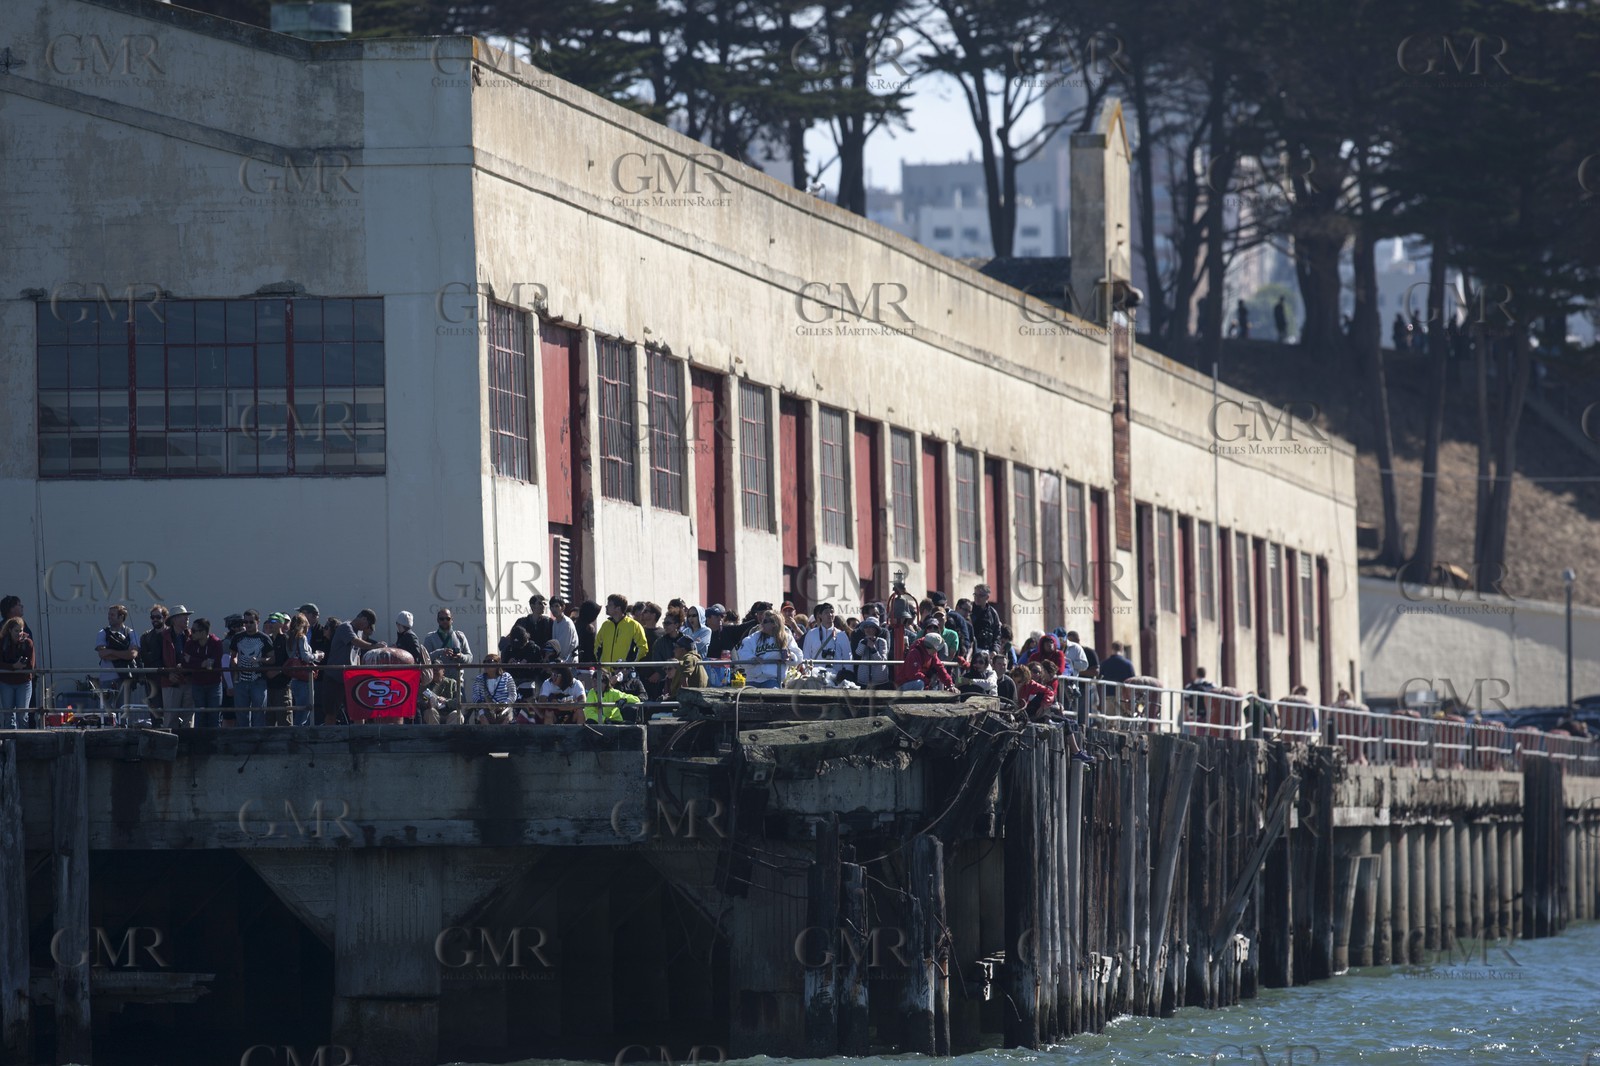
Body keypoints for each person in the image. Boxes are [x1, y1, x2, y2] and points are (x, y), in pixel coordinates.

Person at [324, 609, 384, 725]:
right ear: (363, 619)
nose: (367, 628)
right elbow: (355, 641)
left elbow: (357, 655)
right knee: (331, 712)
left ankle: (360, 737)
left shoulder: (360, 632)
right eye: (368, 624)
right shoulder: (345, 627)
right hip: (334, 677)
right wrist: (374, 646)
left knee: (358, 711)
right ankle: (329, 737)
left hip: (350, 678)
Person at [227, 610, 274, 727]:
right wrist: (236, 664)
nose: (247, 625)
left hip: (259, 680)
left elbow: (272, 659)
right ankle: (243, 741)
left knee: (259, 713)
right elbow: (232, 656)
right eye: (245, 622)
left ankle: (258, 740)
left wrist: (260, 660)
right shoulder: (237, 638)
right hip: (241, 680)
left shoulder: (265, 638)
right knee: (241, 714)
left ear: (258, 622)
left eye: (251, 622)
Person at [737, 611, 801, 688]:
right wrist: (752, 659)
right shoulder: (753, 638)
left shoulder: (786, 638)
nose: (762, 623)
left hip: (772, 679)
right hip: (752, 679)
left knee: (771, 695)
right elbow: (743, 653)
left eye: (765, 621)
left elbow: (799, 657)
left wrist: (790, 656)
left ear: (774, 624)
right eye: (762, 621)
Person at [183, 618, 227, 726]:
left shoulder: (216, 643)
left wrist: (193, 661)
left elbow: (214, 664)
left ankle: (215, 742)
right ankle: (200, 742)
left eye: (194, 630)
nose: (190, 632)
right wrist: (202, 663)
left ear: (203, 632)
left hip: (214, 684)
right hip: (197, 684)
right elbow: (184, 662)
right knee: (200, 715)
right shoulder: (190, 643)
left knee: (214, 716)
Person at [95, 604, 139, 709]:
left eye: (112, 615)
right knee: (106, 711)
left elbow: (133, 654)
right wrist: (124, 653)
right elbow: (102, 654)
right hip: (106, 679)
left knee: (123, 710)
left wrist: (110, 651)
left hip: (125, 678)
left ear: (121, 617)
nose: (109, 617)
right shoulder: (103, 633)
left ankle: (123, 726)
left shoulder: (131, 634)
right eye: (109, 614)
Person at [159, 606, 196, 728]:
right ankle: (168, 745)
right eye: (183, 616)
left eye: (187, 617)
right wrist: (168, 674)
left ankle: (188, 745)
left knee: (189, 717)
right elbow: (157, 660)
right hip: (170, 682)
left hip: (188, 680)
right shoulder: (162, 637)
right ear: (174, 620)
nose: (187, 619)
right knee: (170, 717)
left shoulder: (191, 636)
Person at [801, 602, 852, 684]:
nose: (830, 615)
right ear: (820, 616)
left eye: (832, 612)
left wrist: (848, 678)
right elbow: (806, 656)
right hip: (815, 677)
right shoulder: (811, 634)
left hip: (836, 678)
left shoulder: (841, 635)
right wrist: (808, 674)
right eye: (826, 612)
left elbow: (848, 659)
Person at [596, 594, 649, 668]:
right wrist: (601, 664)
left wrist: (628, 665)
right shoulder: (605, 625)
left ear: (618, 608)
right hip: (605, 674)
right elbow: (597, 646)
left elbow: (642, 648)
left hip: (624, 674)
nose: (606, 607)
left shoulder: (634, 625)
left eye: (610, 605)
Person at [0, 617, 35, 728]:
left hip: (23, 682)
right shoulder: (2, 643)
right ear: (9, 630)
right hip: (6, 682)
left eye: (21, 630)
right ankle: (9, 743)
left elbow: (31, 665)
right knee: (8, 715)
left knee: (22, 715)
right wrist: (14, 666)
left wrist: (20, 666)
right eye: (16, 631)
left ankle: (23, 743)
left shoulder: (28, 643)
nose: (19, 634)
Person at [641, 613, 685, 700]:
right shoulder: (660, 642)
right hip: (665, 680)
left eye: (668, 623)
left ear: (677, 624)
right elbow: (656, 661)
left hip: (683, 679)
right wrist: (665, 672)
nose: (665, 626)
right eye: (664, 623)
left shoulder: (685, 640)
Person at [284, 611, 318, 725]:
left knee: (299, 709)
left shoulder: (289, 638)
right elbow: (305, 657)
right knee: (305, 711)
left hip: (294, 678)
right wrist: (317, 656)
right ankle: (300, 734)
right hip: (304, 678)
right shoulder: (301, 637)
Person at [262, 613, 294, 726]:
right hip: (269, 686)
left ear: (281, 623)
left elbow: (290, 661)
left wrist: (278, 671)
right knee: (269, 721)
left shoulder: (286, 640)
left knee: (284, 719)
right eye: (269, 621)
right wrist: (267, 672)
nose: (271, 623)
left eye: (274, 621)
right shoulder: (267, 640)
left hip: (283, 686)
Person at [424, 608, 473, 679]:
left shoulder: (460, 636)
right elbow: (425, 659)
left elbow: (470, 658)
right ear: (438, 620)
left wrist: (460, 656)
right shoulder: (430, 637)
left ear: (452, 620)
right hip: (438, 682)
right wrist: (441, 652)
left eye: (448, 618)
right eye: (442, 619)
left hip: (457, 682)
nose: (445, 621)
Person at [139, 605, 169, 718]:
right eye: (152, 617)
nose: (155, 619)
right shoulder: (146, 636)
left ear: (165, 617)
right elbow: (144, 657)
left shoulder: (171, 634)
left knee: (171, 712)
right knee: (155, 713)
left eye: (158, 617)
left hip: (169, 679)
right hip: (152, 680)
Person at [469, 654, 516, 724]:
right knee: (482, 714)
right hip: (486, 707)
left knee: (508, 717)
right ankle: (487, 733)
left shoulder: (507, 676)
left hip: (504, 707)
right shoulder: (479, 678)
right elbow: (475, 695)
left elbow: (513, 694)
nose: (486, 664)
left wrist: (504, 704)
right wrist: (482, 704)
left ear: (497, 663)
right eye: (485, 662)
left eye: (490, 661)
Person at [853, 617, 890, 689]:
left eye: (871, 627)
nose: (867, 629)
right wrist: (864, 643)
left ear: (876, 629)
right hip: (863, 680)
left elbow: (881, 661)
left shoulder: (882, 642)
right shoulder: (862, 641)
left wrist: (873, 648)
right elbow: (858, 654)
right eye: (866, 627)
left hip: (879, 681)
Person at [668, 634, 707, 699]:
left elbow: (685, 678)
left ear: (683, 649)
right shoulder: (692, 657)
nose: (674, 650)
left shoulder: (689, 657)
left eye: (676, 647)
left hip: (693, 698)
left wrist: (685, 699)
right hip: (696, 696)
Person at [971, 585, 1002, 656]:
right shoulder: (969, 609)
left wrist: (995, 649)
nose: (977, 598)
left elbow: (997, 633)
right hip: (971, 650)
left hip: (987, 651)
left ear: (987, 597)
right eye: (975, 595)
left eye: (980, 595)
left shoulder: (992, 613)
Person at [548, 597, 579, 661]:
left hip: (568, 661)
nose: (554, 609)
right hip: (559, 661)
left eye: (556, 606)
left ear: (563, 607)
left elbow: (564, 647)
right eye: (552, 607)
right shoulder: (555, 622)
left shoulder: (567, 623)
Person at [574, 600, 602, 666]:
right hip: (587, 664)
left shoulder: (574, 624)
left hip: (574, 661)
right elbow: (592, 649)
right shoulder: (589, 628)